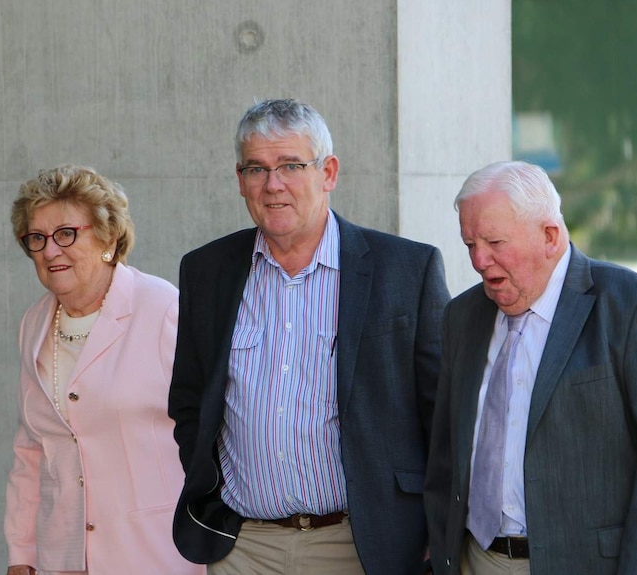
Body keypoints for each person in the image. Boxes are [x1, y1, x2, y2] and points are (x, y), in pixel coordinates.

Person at [168, 98, 451, 575]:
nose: (273, 185)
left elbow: (444, 413)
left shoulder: (406, 270)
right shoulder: (206, 271)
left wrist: (430, 530)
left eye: (291, 166)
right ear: (240, 181)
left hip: (362, 546)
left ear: (329, 172)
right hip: (244, 548)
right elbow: (191, 401)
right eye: (256, 169)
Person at [424, 160, 637, 575]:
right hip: (477, 559)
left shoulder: (634, 307)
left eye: (495, 242)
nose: (479, 260)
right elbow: (445, 454)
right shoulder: (462, 316)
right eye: (470, 244)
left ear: (550, 236)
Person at [4, 165, 204, 575]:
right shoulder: (34, 324)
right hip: (63, 557)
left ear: (108, 238)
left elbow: (210, 433)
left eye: (66, 233)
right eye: (37, 238)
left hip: (156, 554)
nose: (50, 250)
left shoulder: (162, 308)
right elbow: (31, 450)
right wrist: (22, 554)